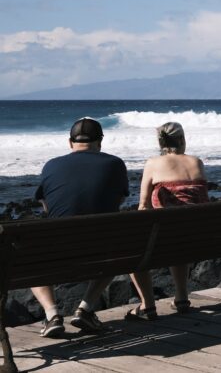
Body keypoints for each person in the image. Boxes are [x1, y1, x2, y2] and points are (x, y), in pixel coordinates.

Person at [32, 117, 130, 337]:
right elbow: (119, 201)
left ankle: (51, 314)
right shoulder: (115, 164)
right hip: (100, 250)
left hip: (56, 252)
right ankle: (85, 308)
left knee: (29, 258)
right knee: (118, 249)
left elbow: (46, 205)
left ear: (70, 142)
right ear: (100, 142)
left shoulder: (51, 165)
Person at [127, 122, 209, 320]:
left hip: (166, 237)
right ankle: (181, 298)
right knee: (180, 236)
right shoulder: (196, 162)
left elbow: (144, 204)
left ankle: (147, 305)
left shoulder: (153, 163)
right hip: (200, 237)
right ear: (181, 139)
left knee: (130, 250)